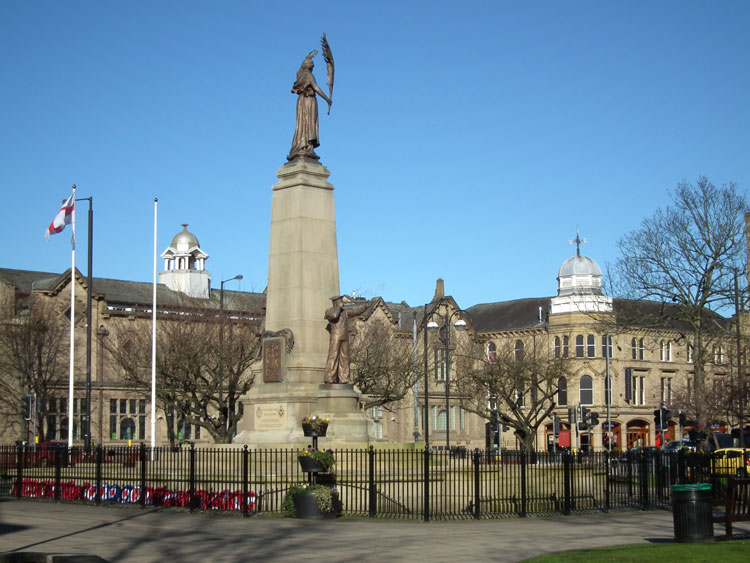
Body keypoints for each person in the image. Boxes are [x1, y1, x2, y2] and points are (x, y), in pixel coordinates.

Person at [287, 50, 331, 162]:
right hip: (309, 102)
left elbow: (299, 69)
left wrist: (307, 57)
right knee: (308, 123)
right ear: (310, 67)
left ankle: (302, 145)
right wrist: (327, 99)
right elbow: (316, 88)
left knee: (302, 123)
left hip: (301, 101)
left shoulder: (300, 75)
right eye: (312, 65)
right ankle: (306, 147)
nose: (313, 66)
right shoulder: (309, 76)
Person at [324, 296, 367, 384]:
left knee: (345, 358)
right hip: (336, 336)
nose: (342, 302)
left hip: (344, 336)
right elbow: (334, 315)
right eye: (340, 301)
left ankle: (344, 378)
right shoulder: (329, 311)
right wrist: (339, 307)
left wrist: (365, 307)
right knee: (333, 356)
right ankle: (329, 377)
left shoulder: (345, 312)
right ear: (335, 302)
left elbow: (355, 312)